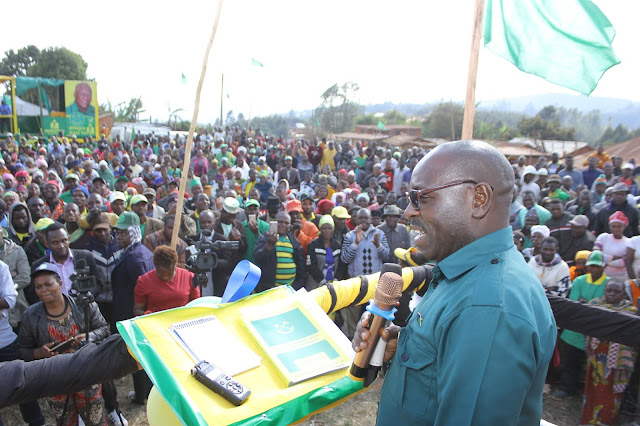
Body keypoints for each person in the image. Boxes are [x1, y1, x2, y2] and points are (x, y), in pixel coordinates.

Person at [355, 140, 556, 425]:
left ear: (478, 199)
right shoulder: (464, 274)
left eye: (421, 197)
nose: (408, 212)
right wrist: (405, 349)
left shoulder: (487, 306)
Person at [19, 263, 108, 426]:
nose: (43, 290)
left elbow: (103, 328)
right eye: (38, 287)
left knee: (94, 418)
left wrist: (88, 336)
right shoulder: (30, 316)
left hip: (86, 372)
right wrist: (39, 353)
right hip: (54, 378)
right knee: (65, 420)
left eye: (48, 284)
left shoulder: (83, 305)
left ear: (60, 284)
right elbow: (23, 350)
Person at [110, 211, 154, 405]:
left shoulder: (137, 257)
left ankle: (142, 395)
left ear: (135, 232)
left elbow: (142, 290)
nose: (119, 237)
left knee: (138, 356)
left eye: (124, 233)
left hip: (132, 313)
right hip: (128, 310)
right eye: (117, 233)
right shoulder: (133, 251)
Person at [580, 280, 637, 426]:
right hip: (595, 356)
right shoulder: (595, 304)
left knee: (609, 393)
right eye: (609, 290)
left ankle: (604, 421)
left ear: (624, 294)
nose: (612, 294)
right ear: (604, 291)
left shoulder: (630, 310)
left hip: (615, 361)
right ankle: (588, 420)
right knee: (592, 389)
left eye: (617, 292)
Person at [554, 251, 608, 401]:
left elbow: (604, 308)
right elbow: (574, 304)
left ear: (604, 267)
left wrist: (586, 304)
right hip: (575, 330)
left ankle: (591, 394)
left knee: (596, 365)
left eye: (597, 266)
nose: (594, 269)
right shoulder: (579, 281)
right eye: (591, 266)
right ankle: (566, 388)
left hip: (597, 331)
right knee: (569, 361)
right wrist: (592, 305)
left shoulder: (609, 283)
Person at [341, 208, 389, 337]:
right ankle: (353, 341)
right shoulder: (350, 236)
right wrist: (356, 243)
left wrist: (378, 245)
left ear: (370, 219)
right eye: (360, 218)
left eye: (366, 218)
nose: (363, 221)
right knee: (354, 316)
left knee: (373, 317)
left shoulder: (380, 234)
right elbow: (345, 259)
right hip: (357, 283)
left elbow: (386, 256)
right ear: (356, 219)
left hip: (375, 284)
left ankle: (371, 341)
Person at [133, 246, 199, 316]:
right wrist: (146, 314)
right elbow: (137, 309)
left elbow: (196, 306)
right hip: (156, 321)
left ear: (175, 266)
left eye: (170, 274)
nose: (166, 277)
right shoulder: (144, 281)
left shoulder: (189, 277)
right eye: (161, 274)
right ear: (155, 267)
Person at [254, 211, 306, 293]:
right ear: (274, 223)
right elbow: (257, 257)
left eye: (286, 223)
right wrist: (269, 245)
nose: (283, 225)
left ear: (290, 226)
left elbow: (301, 266)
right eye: (280, 222)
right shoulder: (265, 237)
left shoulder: (294, 241)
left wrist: (296, 286)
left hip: (290, 289)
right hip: (269, 289)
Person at [307, 215, 342, 290]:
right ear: (320, 229)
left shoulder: (337, 245)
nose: (327, 231)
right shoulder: (313, 245)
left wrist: (336, 280)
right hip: (315, 285)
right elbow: (311, 266)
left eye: (330, 228)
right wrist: (322, 281)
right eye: (324, 228)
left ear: (333, 229)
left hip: (334, 285)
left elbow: (341, 266)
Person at [594, 211, 630, 280]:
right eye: (613, 226)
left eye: (619, 227)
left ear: (624, 227)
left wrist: (605, 261)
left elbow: (623, 262)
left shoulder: (628, 242)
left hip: (621, 277)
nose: (616, 229)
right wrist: (615, 258)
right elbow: (596, 254)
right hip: (603, 276)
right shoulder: (603, 237)